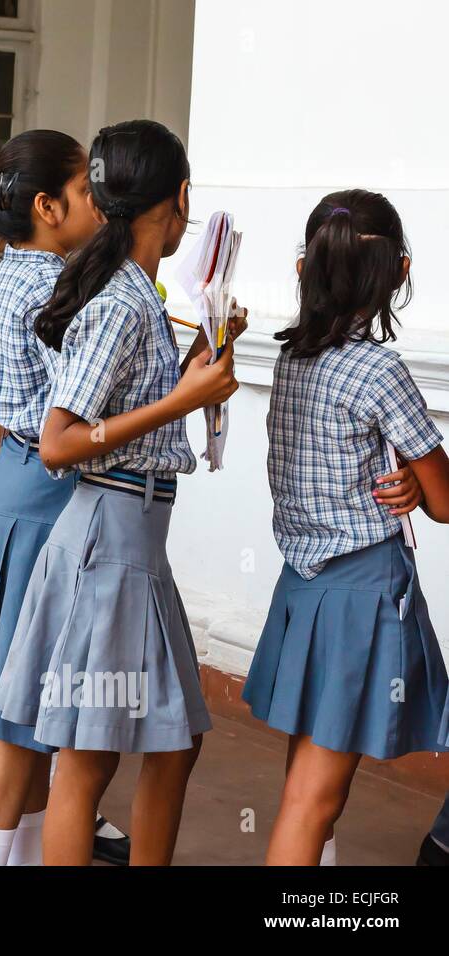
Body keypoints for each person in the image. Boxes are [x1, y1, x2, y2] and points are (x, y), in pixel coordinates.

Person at [0, 119, 240, 866]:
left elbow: (131, 403)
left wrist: (198, 364)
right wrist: (183, 401)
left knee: (173, 741)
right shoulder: (121, 302)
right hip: (108, 535)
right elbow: (60, 441)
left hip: (131, 537)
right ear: (180, 198)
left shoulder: (135, 293)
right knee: (88, 757)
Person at [243, 189, 449, 865]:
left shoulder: (291, 357)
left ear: (307, 268)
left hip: (303, 588)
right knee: (314, 802)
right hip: (361, 596)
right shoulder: (380, 369)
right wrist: (418, 478)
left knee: (305, 784)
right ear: (400, 270)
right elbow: (445, 502)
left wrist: (407, 476)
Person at [0, 130, 127, 866]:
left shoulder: (23, 273)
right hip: (43, 496)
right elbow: (76, 416)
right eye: (86, 190)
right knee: (17, 715)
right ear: (49, 207)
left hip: (18, 485)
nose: (99, 204)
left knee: (19, 711)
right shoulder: (52, 287)